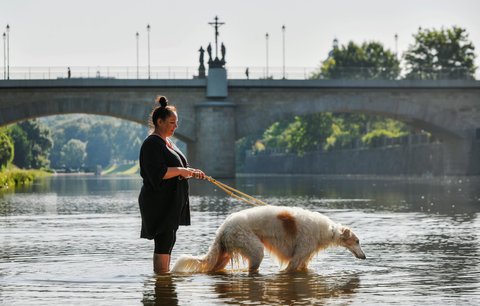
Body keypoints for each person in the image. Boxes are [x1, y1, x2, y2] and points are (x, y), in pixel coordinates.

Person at [138, 95, 206, 273]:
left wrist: (190, 172)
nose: (176, 126)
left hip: (171, 202)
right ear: (159, 122)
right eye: (171, 122)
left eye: (176, 123)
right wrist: (182, 171)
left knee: (169, 240)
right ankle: (161, 280)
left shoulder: (168, 143)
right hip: (158, 202)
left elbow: (178, 169)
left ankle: (163, 284)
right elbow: (158, 173)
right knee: (164, 241)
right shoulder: (152, 143)